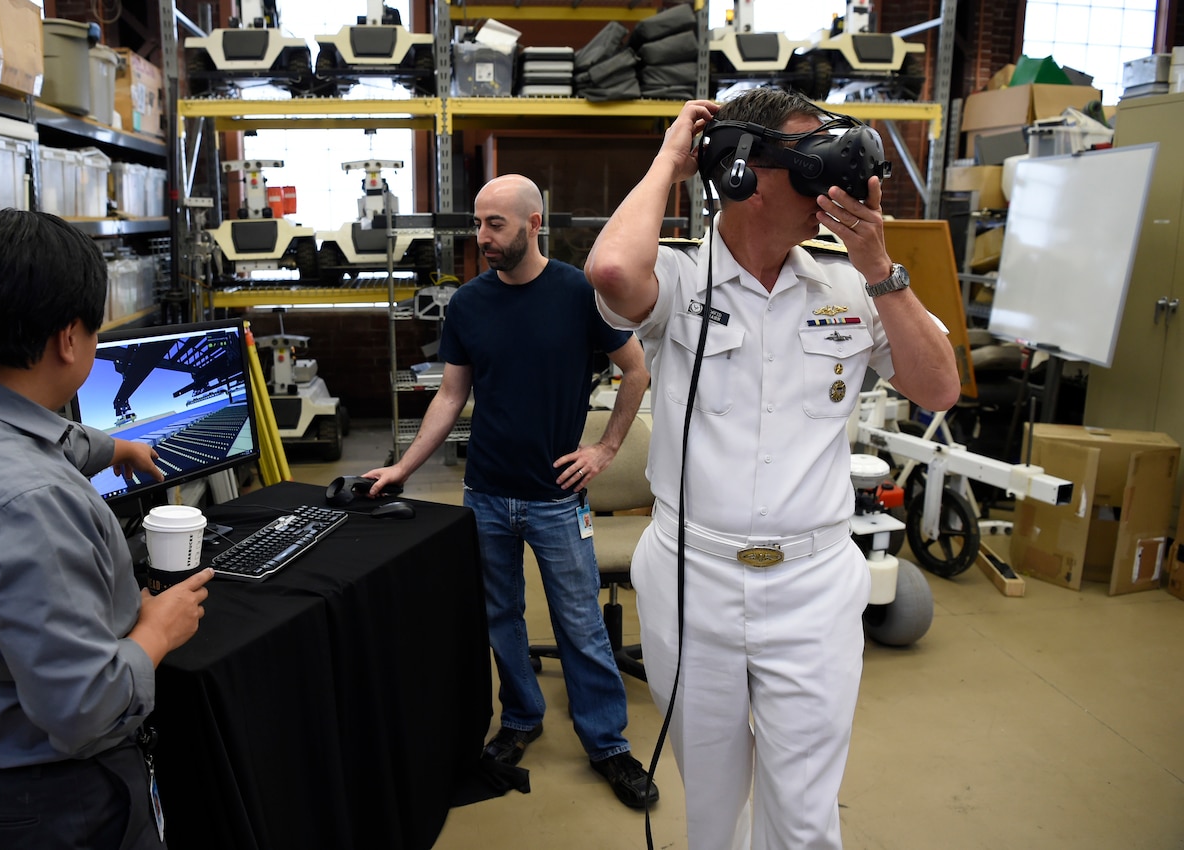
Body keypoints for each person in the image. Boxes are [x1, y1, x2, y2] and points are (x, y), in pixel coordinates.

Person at [584, 90, 961, 848]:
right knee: (712, 808)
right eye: (811, 162)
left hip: (813, 586)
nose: (835, 184)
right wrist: (671, 158)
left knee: (804, 815)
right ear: (741, 172)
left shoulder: (852, 285)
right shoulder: (681, 279)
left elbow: (939, 388)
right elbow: (611, 271)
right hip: (694, 581)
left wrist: (880, 265)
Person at [0, 210, 215, 850]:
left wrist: (113, 450)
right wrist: (157, 631)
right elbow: (85, 709)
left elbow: (16, 430)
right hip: (55, 805)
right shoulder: (29, 503)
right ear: (69, 339)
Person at [364, 174, 658, 809]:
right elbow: (450, 396)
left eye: (495, 225)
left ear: (533, 224)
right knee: (500, 619)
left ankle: (607, 743)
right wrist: (403, 469)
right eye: (477, 224)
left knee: (580, 624)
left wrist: (604, 449)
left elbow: (636, 370)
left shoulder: (581, 293)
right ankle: (521, 718)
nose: (482, 238)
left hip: (556, 499)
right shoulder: (469, 303)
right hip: (486, 495)